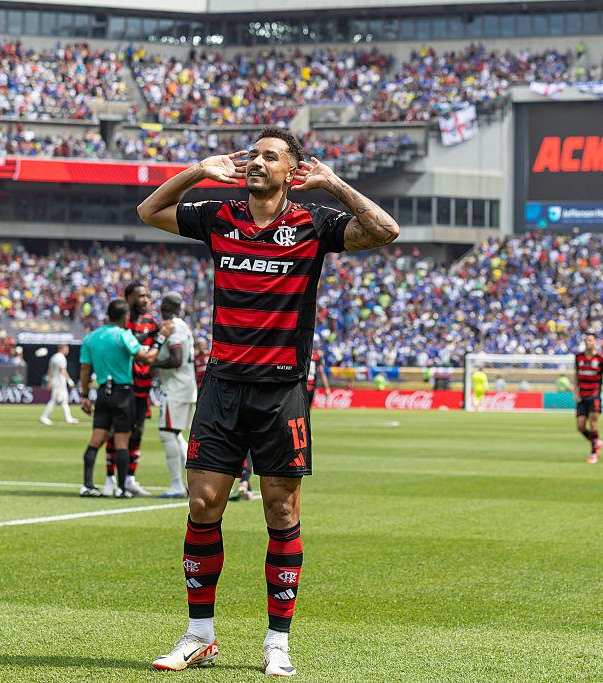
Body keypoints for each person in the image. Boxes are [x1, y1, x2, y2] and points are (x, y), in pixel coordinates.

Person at [137, 127, 399, 675]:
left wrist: (334, 184)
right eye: (253, 154)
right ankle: (199, 635)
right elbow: (149, 209)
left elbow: (385, 230)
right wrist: (196, 171)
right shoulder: (217, 213)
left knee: (281, 510)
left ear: (291, 172)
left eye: (270, 156)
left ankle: (277, 640)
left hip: (282, 389)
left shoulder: (314, 222)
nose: (257, 162)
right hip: (223, 385)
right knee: (203, 504)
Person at [77, 299, 157, 498]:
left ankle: (87, 485)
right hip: (123, 392)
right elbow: (145, 358)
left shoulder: (91, 338)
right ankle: (121, 489)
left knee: (96, 440)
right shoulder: (123, 335)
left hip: (102, 392)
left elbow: (85, 368)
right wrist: (159, 342)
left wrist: (85, 395)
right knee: (122, 441)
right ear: (125, 317)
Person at [104, 283, 159, 497]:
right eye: (140, 296)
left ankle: (129, 479)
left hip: (143, 389)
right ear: (128, 298)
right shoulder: (119, 325)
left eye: (146, 295)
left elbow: (157, 352)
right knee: (114, 433)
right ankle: (110, 479)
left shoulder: (151, 322)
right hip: (122, 387)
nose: (144, 300)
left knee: (137, 433)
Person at [153, 292, 197, 498]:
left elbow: (176, 358)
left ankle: (176, 484)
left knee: (167, 433)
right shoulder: (183, 325)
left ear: (164, 308)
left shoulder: (173, 327)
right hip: (186, 386)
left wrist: (153, 362)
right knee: (176, 434)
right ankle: (188, 483)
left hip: (176, 388)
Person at [575, 333, 603, 464]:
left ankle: (593, 454)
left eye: (590, 340)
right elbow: (576, 375)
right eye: (586, 341)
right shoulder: (578, 357)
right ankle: (596, 441)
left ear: (595, 342)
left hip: (594, 395)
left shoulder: (601, 358)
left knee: (593, 424)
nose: (588, 343)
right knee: (580, 426)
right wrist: (576, 391)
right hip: (582, 396)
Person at [40, 344, 79, 425]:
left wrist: (50, 381)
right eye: (66, 349)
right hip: (60, 383)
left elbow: (50, 370)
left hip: (56, 382)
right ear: (61, 349)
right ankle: (44, 417)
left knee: (64, 401)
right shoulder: (61, 358)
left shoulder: (53, 357)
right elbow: (62, 370)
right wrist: (69, 380)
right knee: (54, 400)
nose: (67, 351)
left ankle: (68, 418)